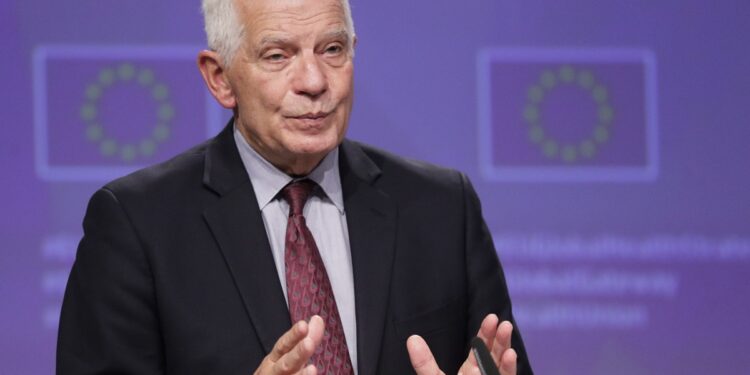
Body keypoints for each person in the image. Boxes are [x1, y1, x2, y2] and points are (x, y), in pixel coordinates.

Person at [56, 0, 533, 374]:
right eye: (278, 55)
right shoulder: (136, 225)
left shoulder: (443, 208)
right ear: (220, 78)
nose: (313, 81)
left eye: (332, 49)